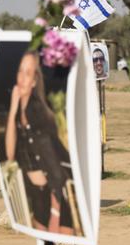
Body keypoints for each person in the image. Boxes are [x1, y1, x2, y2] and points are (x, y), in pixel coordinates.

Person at [5, 51, 77, 235]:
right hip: (37, 196)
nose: (22, 78)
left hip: (55, 195)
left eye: (28, 73)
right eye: (20, 71)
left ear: (35, 80)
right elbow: (10, 154)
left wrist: (55, 210)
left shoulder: (41, 116)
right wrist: (13, 111)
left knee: (64, 243)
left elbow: (55, 168)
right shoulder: (17, 115)